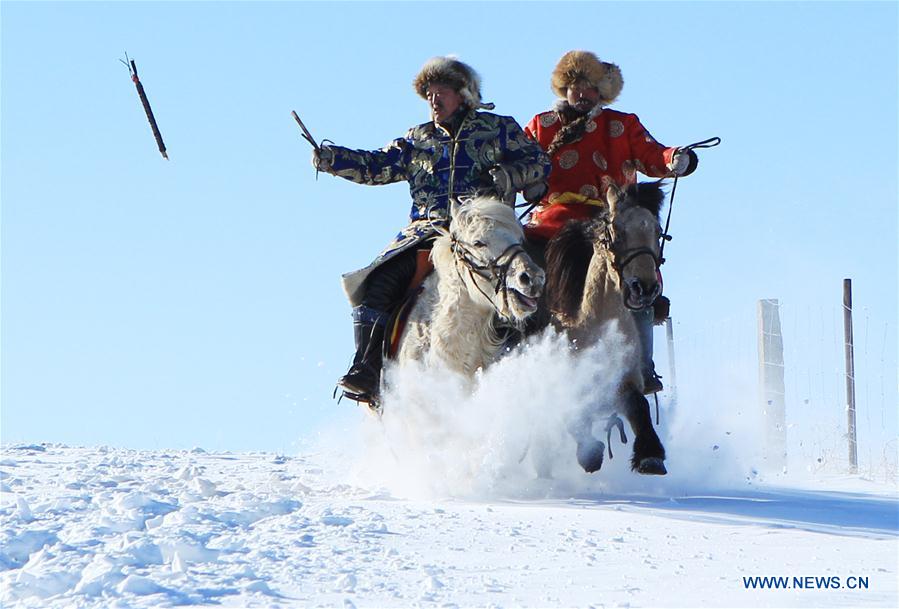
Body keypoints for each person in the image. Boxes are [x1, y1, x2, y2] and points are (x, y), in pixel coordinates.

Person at [312, 57, 551, 402]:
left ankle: (538, 367)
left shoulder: (499, 128)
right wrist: (334, 159)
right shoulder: (417, 138)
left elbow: (540, 162)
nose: (433, 101)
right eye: (429, 95)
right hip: (427, 234)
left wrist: (510, 175)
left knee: (526, 280)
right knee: (378, 284)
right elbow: (378, 165)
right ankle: (366, 369)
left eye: (441, 93)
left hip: (485, 234)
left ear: (464, 95)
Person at [523, 50, 699, 394]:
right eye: (576, 86)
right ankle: (520, 343)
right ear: (564, 88)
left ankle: (642, 364)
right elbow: (521, 162)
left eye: (590, 87)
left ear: (602, 91)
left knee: (642, 278)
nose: (582, 93)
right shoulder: (542, 125)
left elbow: (652, 154)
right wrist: (519, 179)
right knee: (517, 268)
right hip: (552, 224)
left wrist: (675, 158)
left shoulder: (622, 125)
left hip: (610, 223)